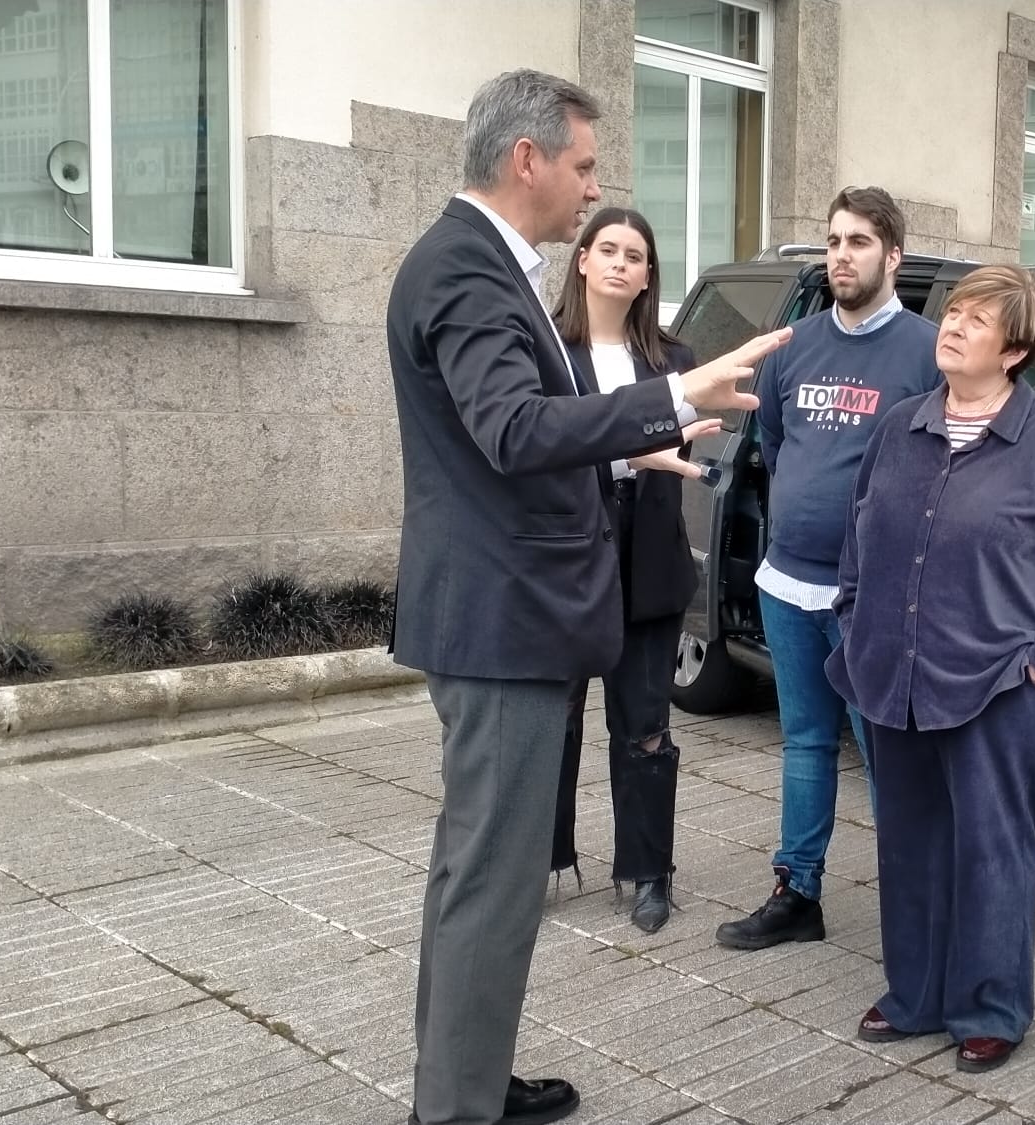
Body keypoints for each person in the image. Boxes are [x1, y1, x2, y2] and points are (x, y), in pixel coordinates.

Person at [386, 69, 787, 1125]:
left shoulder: (485, 265)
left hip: (505, 615)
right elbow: (513, 433)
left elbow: (525, 435)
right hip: (500, 625)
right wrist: (673, 395)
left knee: (479, 875)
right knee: (489, 882)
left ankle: (464, 1079)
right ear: (527, 160)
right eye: (583, 165)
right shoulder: (468, 272)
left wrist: (643, 439)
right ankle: (458, 1107)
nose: (592, 186)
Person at [825, 264, 1035, 1074]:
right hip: (894, 673)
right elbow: (860, 529)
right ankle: (915, 993)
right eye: (953, 313)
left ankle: (989, 1006)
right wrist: (854, 616)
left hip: (999, 685)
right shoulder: (902, 425)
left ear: (1015, 350)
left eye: (976, 321)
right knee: (909, 840)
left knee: (993, 851)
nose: (951, 326)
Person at [714, 187, 942, 951]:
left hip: (872, 596)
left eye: (859, 242)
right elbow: (775, 443)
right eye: (834, 240)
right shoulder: (795, 343)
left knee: (883, 753)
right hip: (787, 581)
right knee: (807, 741)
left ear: (893, 257)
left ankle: (909, 909)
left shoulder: (925, 349)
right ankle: (797, 891)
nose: (841, 255)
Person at [543, 207, 704, 934]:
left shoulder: (675, 359)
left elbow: (685, 444)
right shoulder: (545, 349)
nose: (618, 262)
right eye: (605, 248)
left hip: (648, 553)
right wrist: (627, 450)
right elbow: (537, 444)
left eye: (634, 254)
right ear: (581, 260)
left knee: (644, 725)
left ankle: (648, 871)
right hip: (567, 553)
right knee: (553, 719)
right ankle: (542, 860)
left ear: (647, 277)